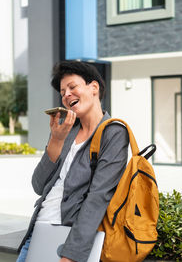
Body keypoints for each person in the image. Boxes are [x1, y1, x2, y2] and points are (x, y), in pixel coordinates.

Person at [16, 61, 129, 262]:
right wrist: (56, 141)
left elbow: (98, 198)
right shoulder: (65, 131)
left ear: (93, 87)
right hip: (36, 236)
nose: (66, 95)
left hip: (70, 240)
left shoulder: (113, 133)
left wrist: (71, 256)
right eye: (62, 91)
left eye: (72, 87)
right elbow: (38, 185)